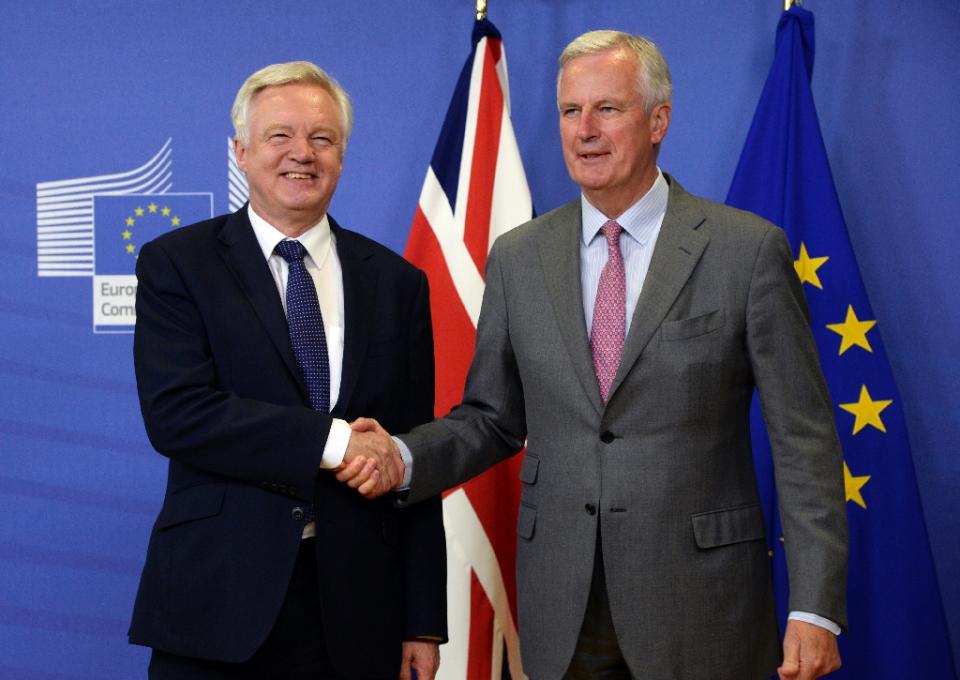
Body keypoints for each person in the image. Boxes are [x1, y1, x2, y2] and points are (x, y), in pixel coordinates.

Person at [341, 31, 847, 680]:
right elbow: (492, 419)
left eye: (607, 108)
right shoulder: (519, 258)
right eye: (569, 111)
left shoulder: (744, 251)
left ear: (658, 120)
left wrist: (815, 608)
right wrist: (405, 456)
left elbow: (803, 440)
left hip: (702, 605)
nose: (584, 129)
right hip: (562, 607)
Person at [128, 61, 446, 679]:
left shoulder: (397, 283)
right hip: (218, 603)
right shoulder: (177, 264)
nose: (302, 153)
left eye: (322, 139)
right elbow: (178, 415)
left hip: (361, 610)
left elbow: (410, 452)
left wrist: (423, 619)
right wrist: (333, 443)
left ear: (343, 156)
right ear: (241, 152)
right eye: (280, 136)